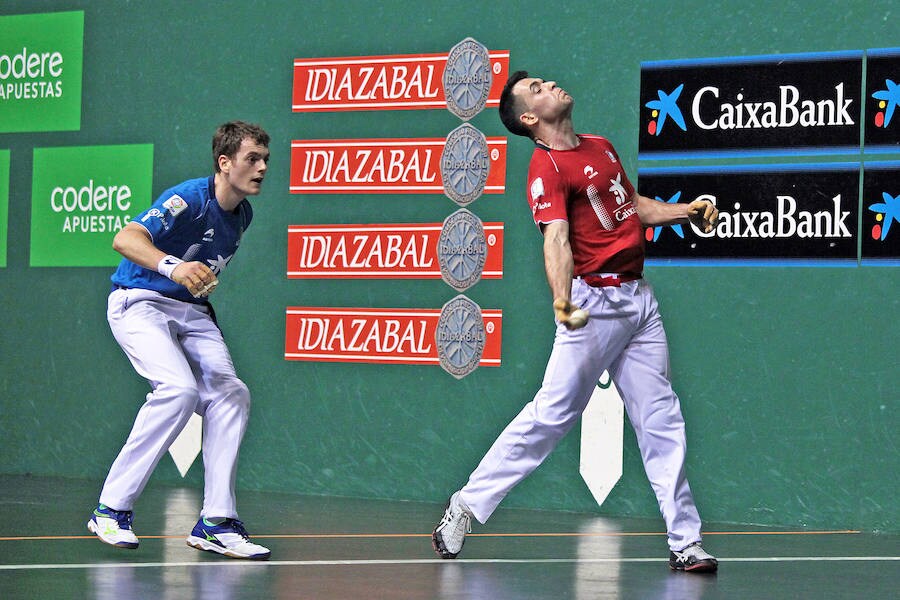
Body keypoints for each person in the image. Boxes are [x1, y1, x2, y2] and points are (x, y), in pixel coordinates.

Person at [431, 72, 720, 573]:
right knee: (551, 416)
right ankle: (465, 505)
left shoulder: (600, 147)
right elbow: (556, 240)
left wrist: (685, 213)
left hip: (639, 302)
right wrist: (562, 302)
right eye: (538, 89)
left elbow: (633, 209)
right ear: (529, 118)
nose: (552, 86)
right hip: (594, 304)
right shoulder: (546, 169)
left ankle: (686, 543)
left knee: (661, 418)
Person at [87, 121, 272, 560]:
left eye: (265, 159)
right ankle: (111, 509)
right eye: (252, 158)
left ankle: (216, 522)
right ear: (224, 163)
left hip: (190, 312)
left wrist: (194, 282)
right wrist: (173, 268)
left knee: (232, 394)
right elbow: (125, 238)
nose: (262, 167)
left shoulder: (242, 214)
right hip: (139, 302)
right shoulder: (189, 197)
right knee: (179, 390)